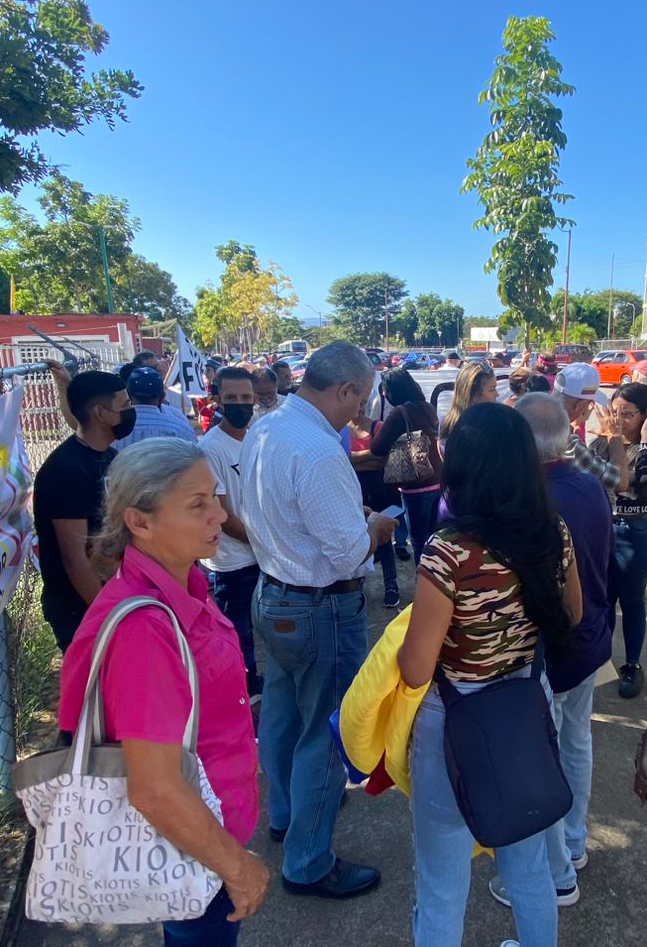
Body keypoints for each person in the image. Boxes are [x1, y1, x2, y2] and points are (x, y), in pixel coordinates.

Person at [58, 439, 268, 944]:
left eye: (215, 497)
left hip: (201, 831)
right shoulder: (145, 629)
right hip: (189, 844)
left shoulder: (182, 586)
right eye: (198, 505)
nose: (219, 514)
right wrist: (237, 868)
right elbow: (155, 787)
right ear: (140, 522)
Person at [398, 402, 581, 947]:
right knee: (527, 862)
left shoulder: (448, 551)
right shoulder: (552, 530)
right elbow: (573, 613)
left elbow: (415, 667)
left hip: (455, 716)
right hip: (526, 700)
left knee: (442, 876)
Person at [240, 341, 398, 898]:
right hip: (320, 607)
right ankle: (307, 861)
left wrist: (354, 522)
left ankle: (284, 816)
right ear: (346, 389)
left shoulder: (267, 425)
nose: (361, 412)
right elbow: (350, 554)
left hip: (274, 594)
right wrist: (377, 528)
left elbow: (288, 511)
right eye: (361, 400)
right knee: (327, 734)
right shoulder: (320, 449)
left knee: (282, 715)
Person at [509, 393, 613, 902]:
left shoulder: (530, 501)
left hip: (548, 652)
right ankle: (573, 845)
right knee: (575, 743)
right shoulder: (590, 485)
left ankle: (556, 876)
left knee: (544, 757)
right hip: (589, 640)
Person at [32, 370, 131, 652]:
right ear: (101, 413)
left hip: (111, 595)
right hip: (81, 609)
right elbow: (75, 558)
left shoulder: (109, 457)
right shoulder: (66, 471)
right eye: (124, 406)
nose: (130, 412)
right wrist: (108, 614)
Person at [592, 382, 647, 698]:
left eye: (629, 413)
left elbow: (643, 474)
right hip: (603, 529)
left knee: (632, 601)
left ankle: (632, 666)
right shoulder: (602, 444)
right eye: (616, 412)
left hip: (634, 532)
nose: (621, 419)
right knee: (604, 599)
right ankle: (600, 661)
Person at [199, 367, 264, 703]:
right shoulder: (211, 448)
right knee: (237, 629)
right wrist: (264, 542)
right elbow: (221, 513)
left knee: (257, 627)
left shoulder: (257, 437)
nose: (240, 404)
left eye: (245, 398)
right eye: (231, 398)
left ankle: (251, 680)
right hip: (232, 560)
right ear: (218, 401)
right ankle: (241, 689)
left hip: (261, 553)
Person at [369, 368, 444, 563]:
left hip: (416, 487)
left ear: (392, 391)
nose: (384, 394)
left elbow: (377, 448)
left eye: (385, 390)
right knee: (434, 539)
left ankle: (423, 586)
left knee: (419, 542)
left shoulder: (399, 414)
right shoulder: (427, 407)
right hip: (438, 481)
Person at [348, 404, 402, 609]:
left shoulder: (377, 427)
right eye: (357, 403)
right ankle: (357, 586)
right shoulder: (342, 429)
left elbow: (381, 460)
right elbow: (346, 461)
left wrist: (353, 458)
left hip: (379, 490)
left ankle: (391, 585)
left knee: (384, 538)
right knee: (356, 537)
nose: (359, 408)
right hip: (355, 490)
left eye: (363, 404)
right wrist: (369, 455)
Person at [552, 362, 629, 493]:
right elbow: (619, 482)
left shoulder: (528, 414)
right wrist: (615, 436)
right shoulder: (568, 444)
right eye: (588, 404)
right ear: (579, 406)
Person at [112, 366, 199, 450]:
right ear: (162, 397)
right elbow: (198, 459)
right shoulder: (179, 428)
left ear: (128, 396)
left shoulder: (113, 429)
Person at [438, 361, 497, 448]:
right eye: (492, 390)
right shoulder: (492, 426)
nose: (497, 394)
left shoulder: (445, 423)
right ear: (473, 394)